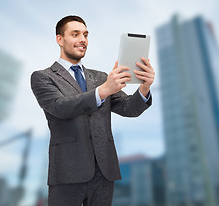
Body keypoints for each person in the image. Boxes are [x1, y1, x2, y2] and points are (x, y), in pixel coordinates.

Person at [31, 15, 155, 206]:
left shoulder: (101, 77)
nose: (83, 39)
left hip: (104, 173)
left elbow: (128, 108)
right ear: (59, 39)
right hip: (67, 173)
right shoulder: (43, 77)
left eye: (86, 35)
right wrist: (104, 90)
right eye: (75, 34)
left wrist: (144, 88)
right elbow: (60, 107)